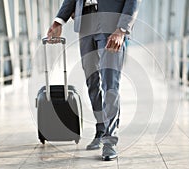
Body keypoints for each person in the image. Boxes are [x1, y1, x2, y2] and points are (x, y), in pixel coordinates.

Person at [47, 0, 139, 161]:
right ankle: (101, 127)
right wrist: (58, 21)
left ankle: (110, 140)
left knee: (110, 83)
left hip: (112, 24)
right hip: (85, 23)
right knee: (92, 81)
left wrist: (122, 30)